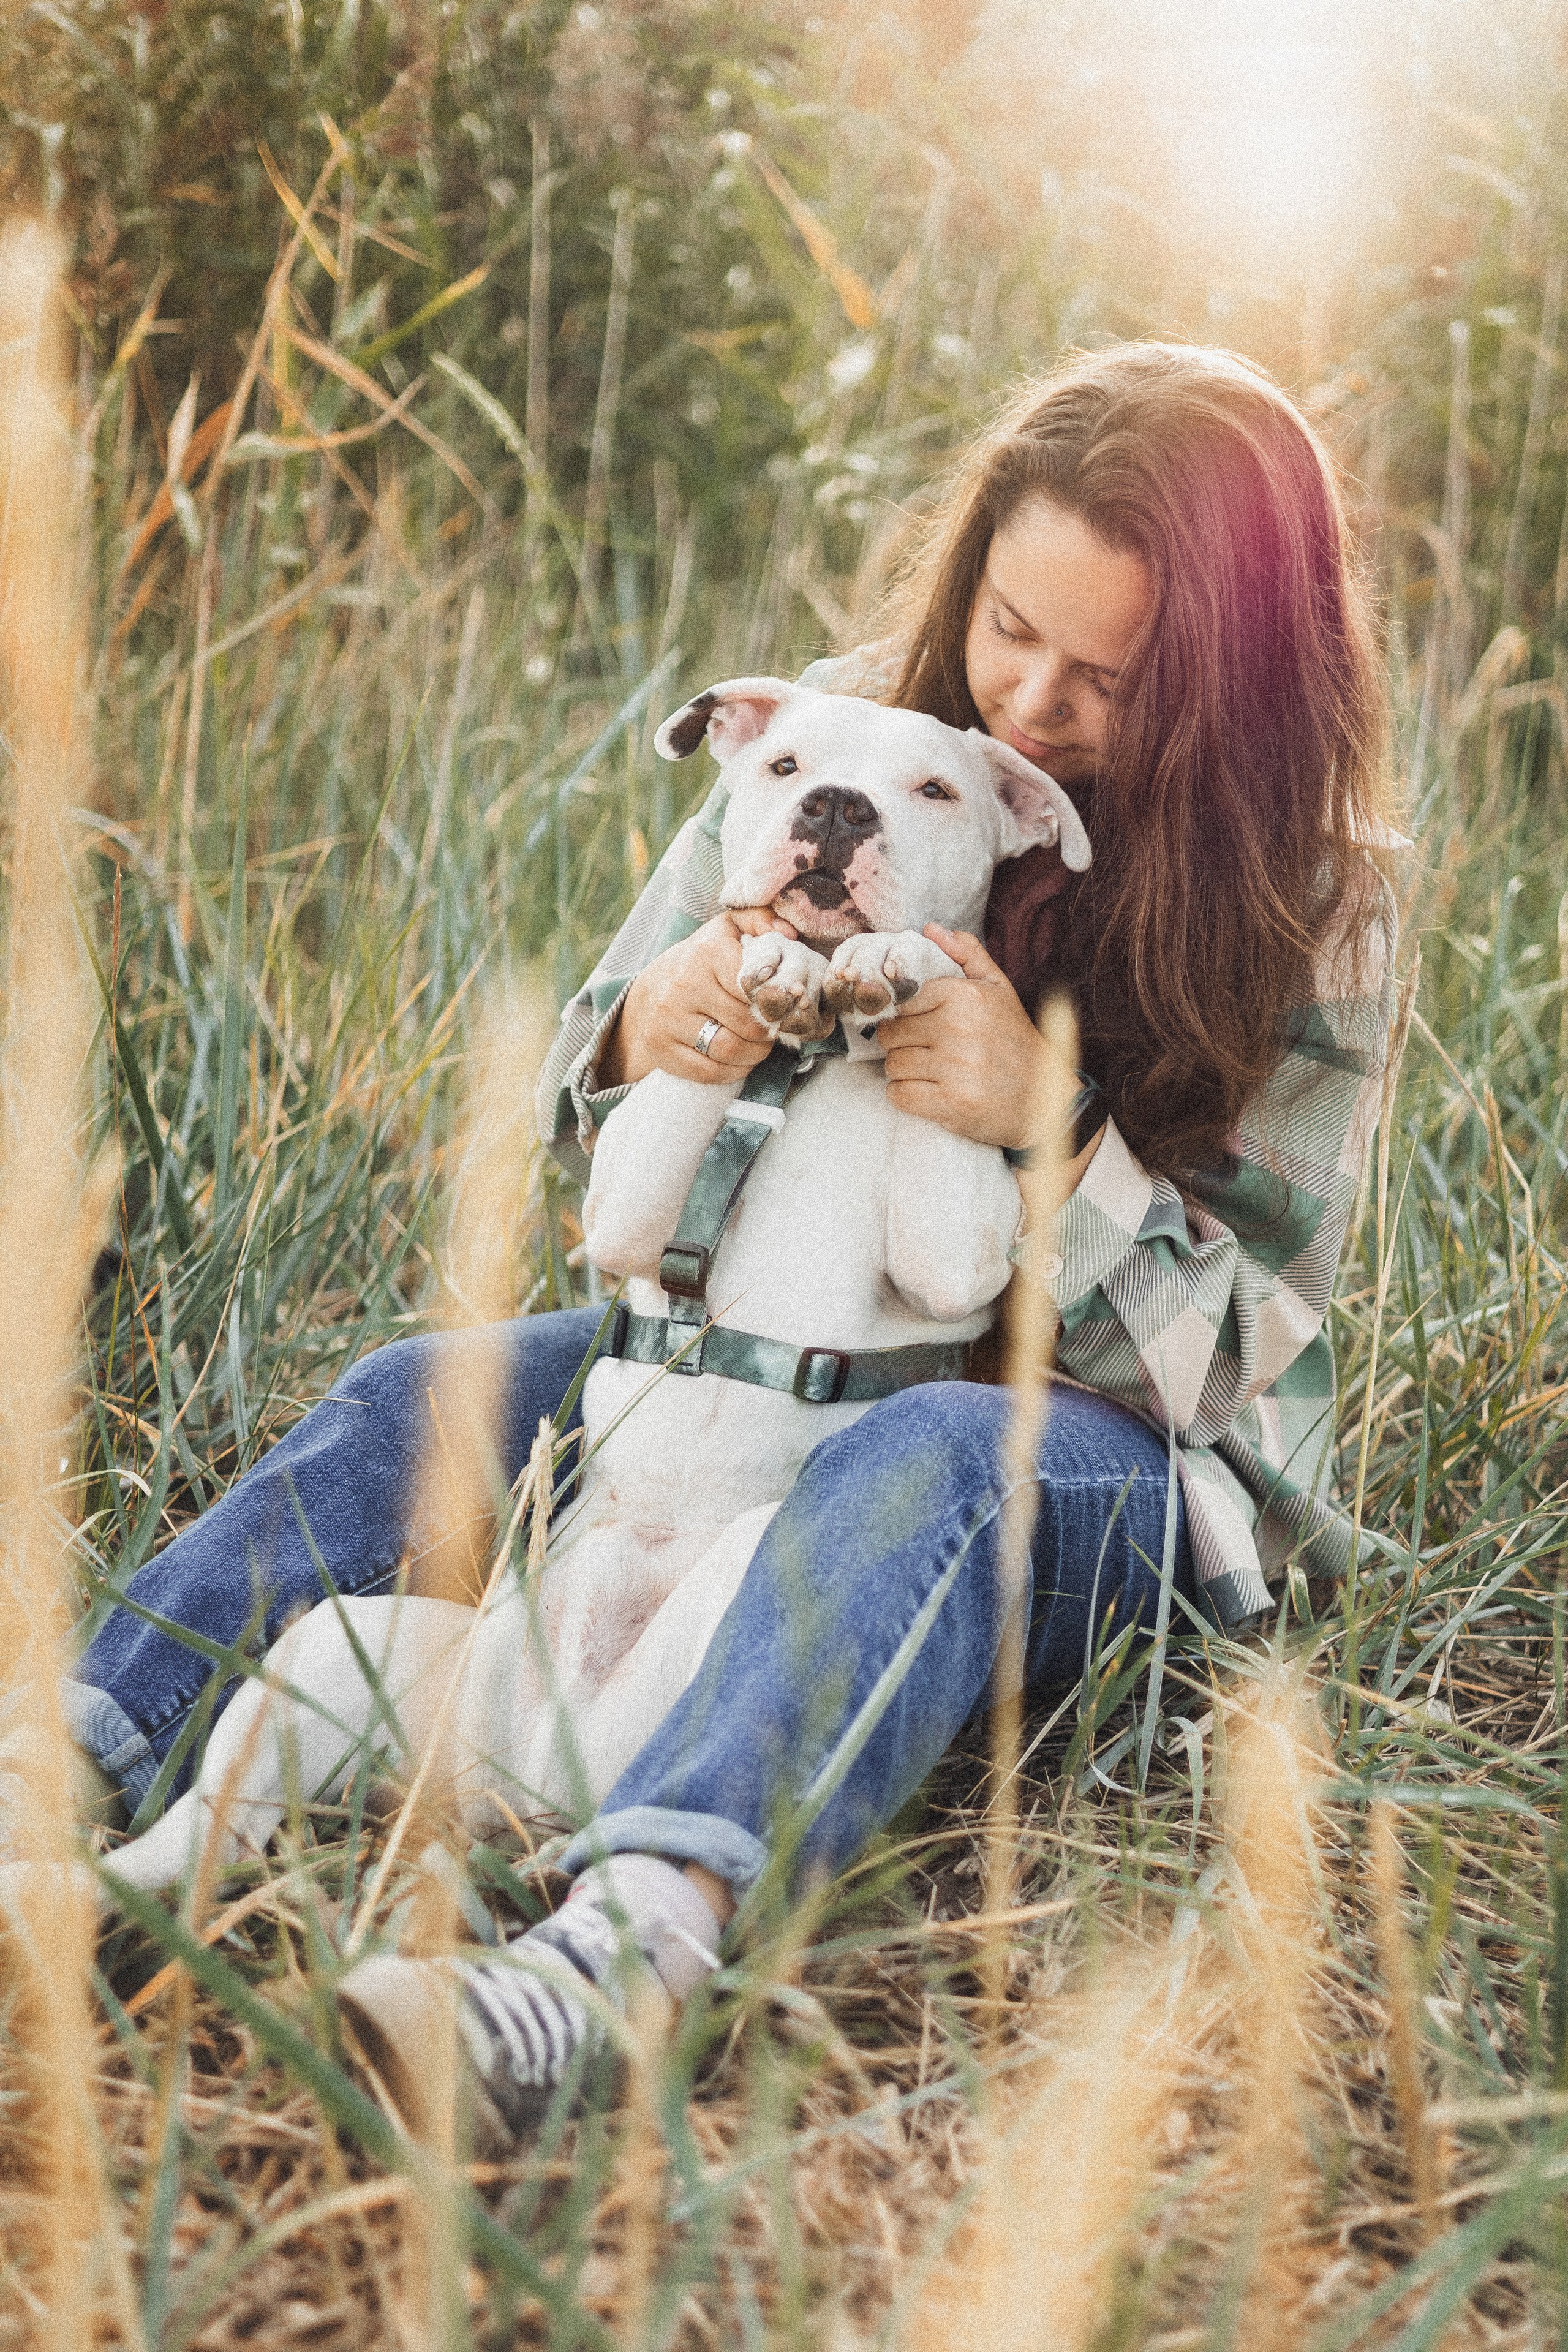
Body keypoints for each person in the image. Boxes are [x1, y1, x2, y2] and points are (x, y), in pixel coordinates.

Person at [64, 342, 1400, 2140]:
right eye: (1009, 628)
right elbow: (589, 1092)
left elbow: (1241, 1368)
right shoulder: (838, 738)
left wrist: (1045, 1128)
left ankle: (609, 1963)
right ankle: (71, 1757)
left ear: (1233, 686)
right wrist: (658, 1025)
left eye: (1111, 678)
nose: (1029, 701)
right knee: (428, 1393)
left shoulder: (1314, 901)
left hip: (1077, 1458)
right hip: (768, 1347)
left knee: (935, 1454)